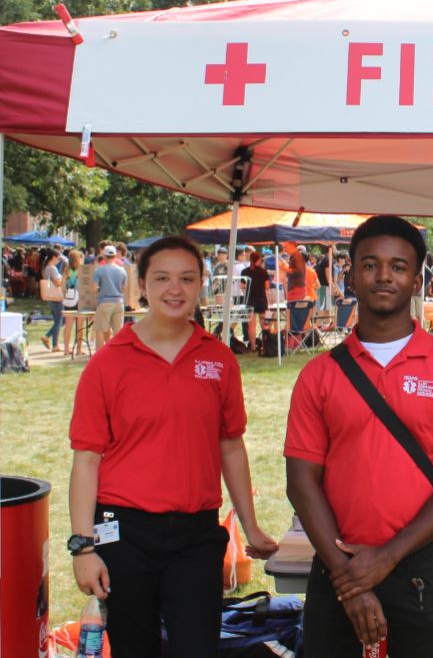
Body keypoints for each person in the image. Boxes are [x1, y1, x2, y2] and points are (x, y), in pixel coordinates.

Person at [285, 215, 433, 657]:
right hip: (338, 569)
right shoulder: (319, 374)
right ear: (351, 274)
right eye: (370, 264)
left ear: (417, 281)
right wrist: (351, 580)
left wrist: (388, 556)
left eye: (398, 267)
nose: (383, 276)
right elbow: (301, 482)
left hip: (421, 567)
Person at [68, 236, 278, 658]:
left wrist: (251, 526)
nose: (174, 289)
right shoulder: (108, 362)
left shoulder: (218, 359)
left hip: (195, 534)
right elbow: (86, 460)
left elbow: (231, 445)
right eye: (162, 278)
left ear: (202, 283)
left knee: (197, 647)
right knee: (134, 648)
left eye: (187, 278)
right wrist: (83, 546)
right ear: (141, 285)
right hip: (122, 533)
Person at [92, 245, 127, 350]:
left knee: (100, 329)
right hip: (119, 302)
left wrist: (100, 289)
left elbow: (93, 288)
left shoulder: (99, 270)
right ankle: (117, 354)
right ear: (115, 256)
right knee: (118, 332)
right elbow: (124, 288)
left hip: (105, 302)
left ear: (104, 256)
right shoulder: (122, 271)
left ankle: (99, 354)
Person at [241, 251, 269, 352]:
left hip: (250, 299)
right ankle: (266, 345)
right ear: (259, 260)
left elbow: (242, 286)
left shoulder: (244, 271)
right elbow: (267, 287)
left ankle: (253, 347)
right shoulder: (263, 272)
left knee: (251, 325)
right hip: (261, 299)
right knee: (264, 324)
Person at [39, 248, 65, 352]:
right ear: (53, 257)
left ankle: (53, 342)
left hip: (50, 297)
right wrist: (63, 280)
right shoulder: (53, 268)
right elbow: (57, 283)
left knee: (57, 321)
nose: (59, 260)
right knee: (59, 321)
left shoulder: (45, 268)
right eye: (58, 258)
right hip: (56, 297)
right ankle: (50, 340)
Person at [62, 250, 87, 356]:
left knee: (68, 326)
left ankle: (66, 349)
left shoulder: (66, 271)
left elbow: (63, 287)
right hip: (80, 300)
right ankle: (79, 349)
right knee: (80, 326)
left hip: (69, 300)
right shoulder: (81, 271)